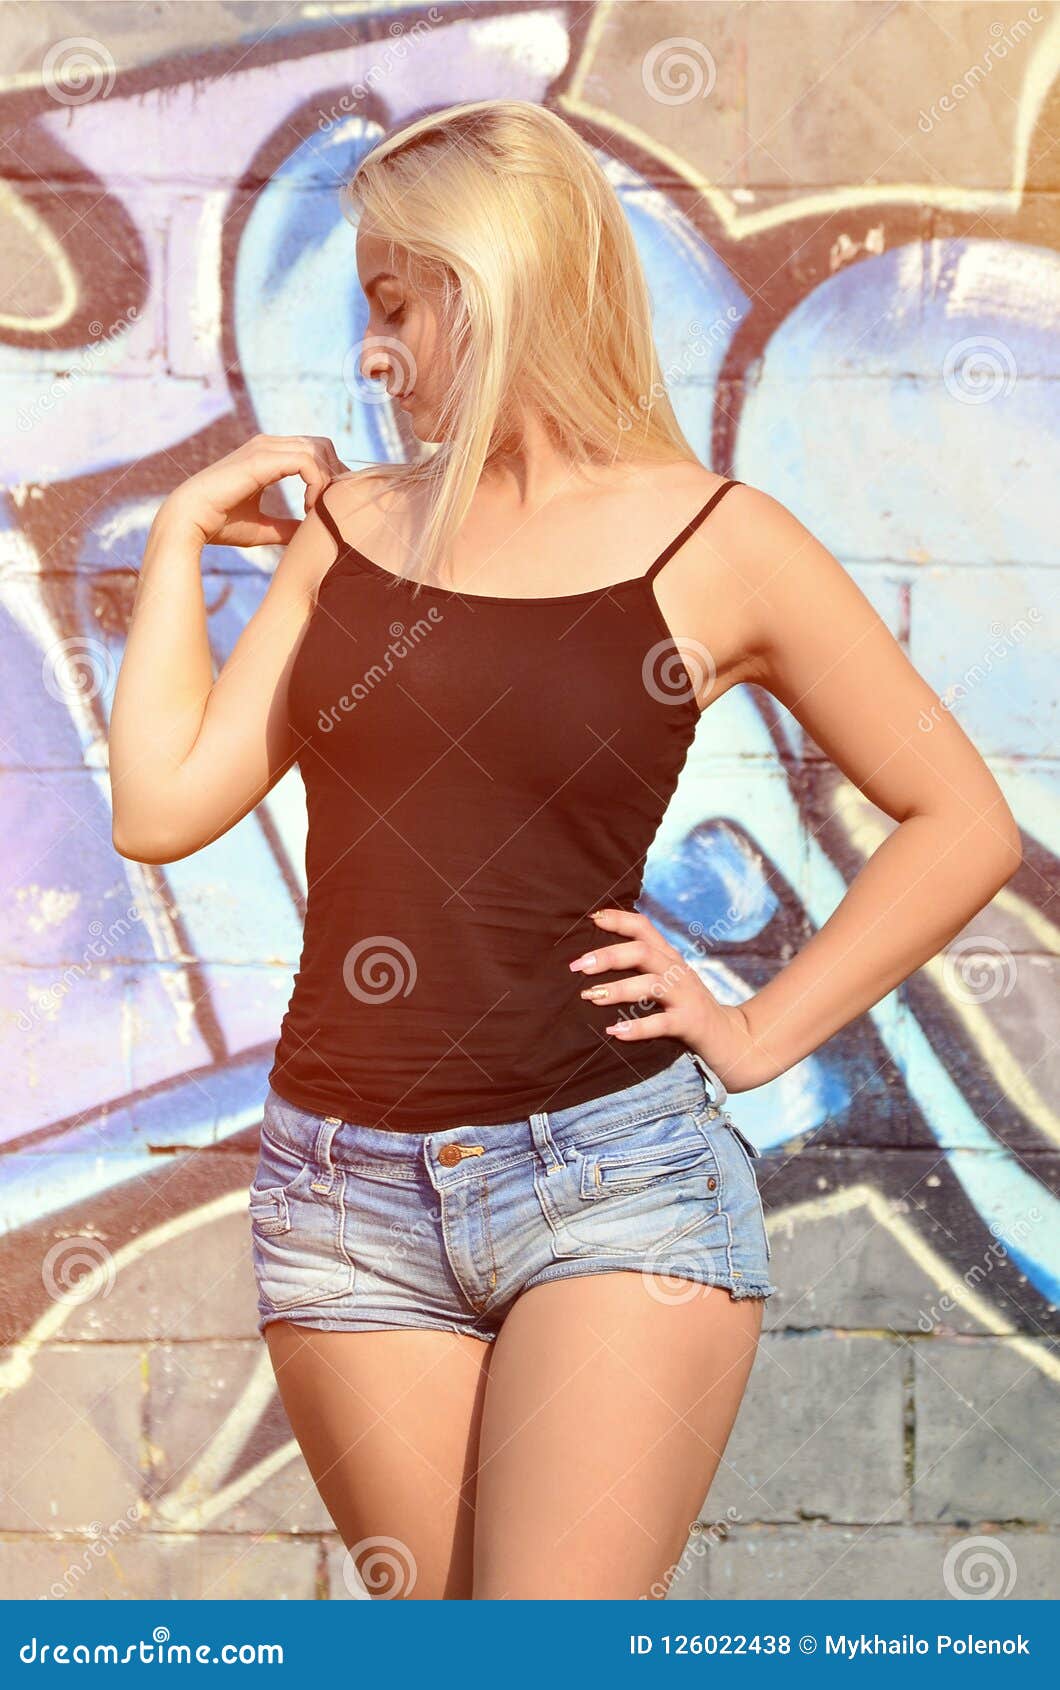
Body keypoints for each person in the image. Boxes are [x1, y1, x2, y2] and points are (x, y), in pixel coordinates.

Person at [108, 100, 1021, 1600]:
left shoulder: (714, 540)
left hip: (613, 1182)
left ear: (496, 279)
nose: (373, 349)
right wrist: (176, 541)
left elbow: (963, 820)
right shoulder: (351, 530)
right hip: (341, 1201)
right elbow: (163, 806)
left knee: (546, 1651)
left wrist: (752, 1029)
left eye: (398, 302)